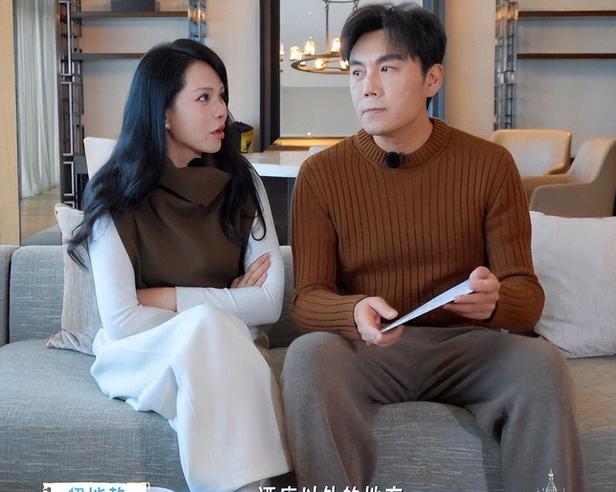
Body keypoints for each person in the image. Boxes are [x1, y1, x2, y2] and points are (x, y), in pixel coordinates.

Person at [282, 4, 583, 491]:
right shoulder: (321, 174)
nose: (367, 87)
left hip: (468, 348)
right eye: (356, 72)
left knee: (541, 365)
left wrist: (495, 301)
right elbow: (306, 300)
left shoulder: (489, 165)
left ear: (432, 79)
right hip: (371, 350)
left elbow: (527, 296)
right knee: (308, 357)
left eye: (387, 69)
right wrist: (353, 310)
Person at [68, 39, 291, 492]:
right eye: (204, 98)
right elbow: (122, 322)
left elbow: (269, 303)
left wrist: (164, 297)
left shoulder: (241, 181)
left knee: (210, 334)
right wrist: (226, 303)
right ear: (164, 112)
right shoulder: (113, 192)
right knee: (209, 327)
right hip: (140, 354)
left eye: (222, 96)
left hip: (227, 349)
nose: (222, 112)